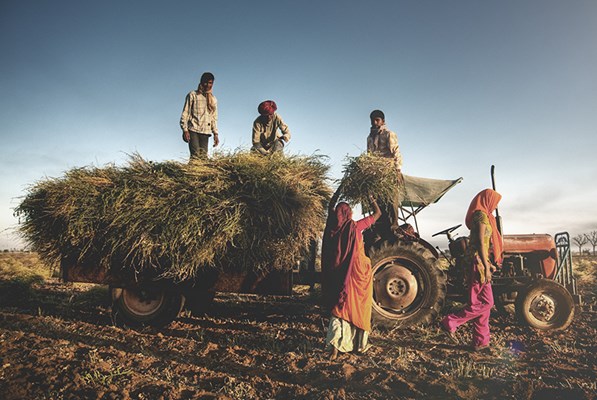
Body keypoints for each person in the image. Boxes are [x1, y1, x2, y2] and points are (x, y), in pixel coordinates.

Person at [440, 189, 503, 352]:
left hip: (482, 261)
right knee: (486, 302)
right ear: (487, 199)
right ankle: (451, 321)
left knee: (483, 304)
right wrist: (486, 265)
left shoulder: (485, 216)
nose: (495, 206)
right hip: (477, 262)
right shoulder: (481, 216)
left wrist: (489, 263)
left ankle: (480, 342)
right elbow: (481, 243)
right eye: (494, 202)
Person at [322, 193, 381, 360]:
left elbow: (330, 207)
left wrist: (338, 191)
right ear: (349, 214)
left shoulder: (333, 227)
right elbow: (378, 215)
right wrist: (372, 198)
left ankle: (334, 347)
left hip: (341, 274)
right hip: (359, 272)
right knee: (359, 306)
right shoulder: (355, 226)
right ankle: (359, 345)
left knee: (340, 307)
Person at [366, 109, 403, 234]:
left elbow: (396, 152)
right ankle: (381, 227)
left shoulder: (388, 134)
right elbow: (369, 156)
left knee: (391, 200)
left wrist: (397, 171)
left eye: (377, 120)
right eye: (373, 120)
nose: (375, 122)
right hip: (377, 176)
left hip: (389, 173)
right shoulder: (369, 138)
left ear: (383, 121)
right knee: (378, 201)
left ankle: (394, 227)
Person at [180, 72, 219, 159]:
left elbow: (214, 118)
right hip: (193, 129)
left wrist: (215, 134)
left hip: (205, 132)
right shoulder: (193, 95)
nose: (208, 85)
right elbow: (185, 113)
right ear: (201, 82)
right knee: (195, 155)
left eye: (210, 83)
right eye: (206, 82)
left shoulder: (213, 99)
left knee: (203, 157)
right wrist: (185, 130)